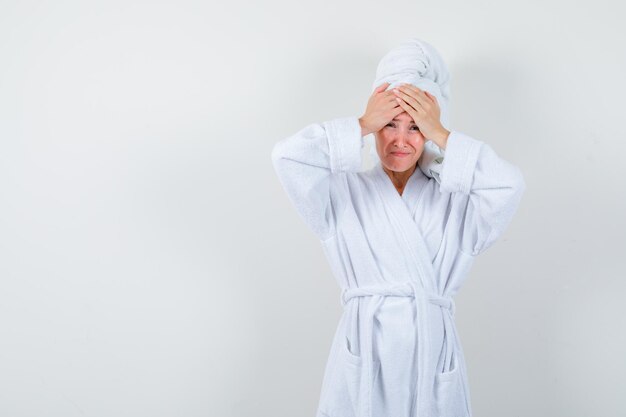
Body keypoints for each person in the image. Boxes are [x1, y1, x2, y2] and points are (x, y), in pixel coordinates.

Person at [270, 39, 525, 417]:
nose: (400, 141)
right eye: (390, 124)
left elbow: (510, 185)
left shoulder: (455, 201)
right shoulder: (342, 192)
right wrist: (360, 124)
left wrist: (442, 134)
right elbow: (286, 157)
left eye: (416, 127)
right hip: (363, 352)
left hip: (431, 353)